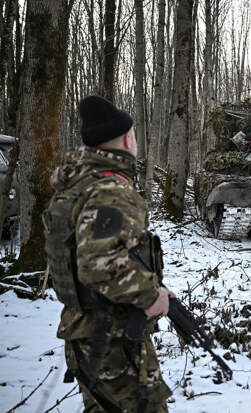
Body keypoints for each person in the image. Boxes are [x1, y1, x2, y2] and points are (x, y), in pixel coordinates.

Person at [44, 96, 173, 412]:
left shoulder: (79, 183)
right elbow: (98, 266)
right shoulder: (109, 190)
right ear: (128, 139)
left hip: (86, 329)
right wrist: (150, 294)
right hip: (112, 336)